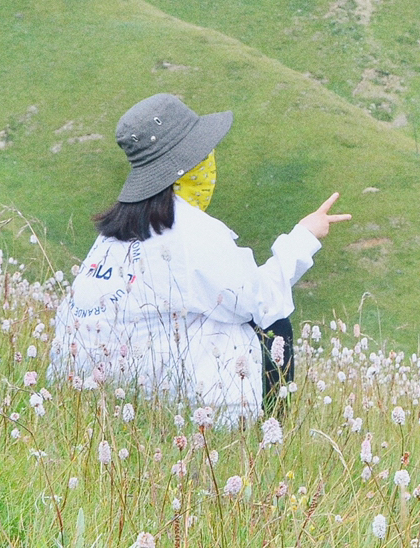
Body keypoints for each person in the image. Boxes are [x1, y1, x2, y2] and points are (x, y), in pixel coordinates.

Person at [49, 93, 350, 425]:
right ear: (185, 167)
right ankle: (270, 431)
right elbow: (260, 300)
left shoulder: (111, 234)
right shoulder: (191, 231)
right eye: (203, 154)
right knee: (275, 325)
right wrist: (305, 236)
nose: (209, 161)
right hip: (171, 406)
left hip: (89, 393)